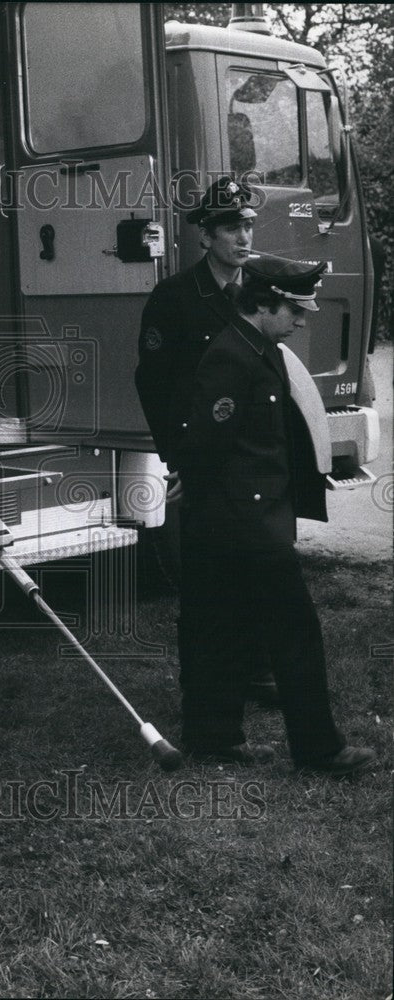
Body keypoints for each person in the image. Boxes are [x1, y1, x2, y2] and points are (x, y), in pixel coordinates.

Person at [174, 255, 376, 775]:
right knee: (295, 632)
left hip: (236, 521)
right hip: (244, 525)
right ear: (263, 304)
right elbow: (203, 448)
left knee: (223, 628)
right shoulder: (232, 357)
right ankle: (320, 750)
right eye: (295, 308)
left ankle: (212, 736)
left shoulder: (255, 348)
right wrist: (232, 518)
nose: (303, 319)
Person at [135, 175, 278, 707]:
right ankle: (206, 687)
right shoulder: (174, 298)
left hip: (251, 460)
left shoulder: (261, 293)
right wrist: (177, 455)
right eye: (230, 228)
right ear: (205, 235)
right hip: (201, 460)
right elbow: (152, 382)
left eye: (247, 226)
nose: (243, 238)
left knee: (260, 566)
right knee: (205, 583)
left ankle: (260, 674)